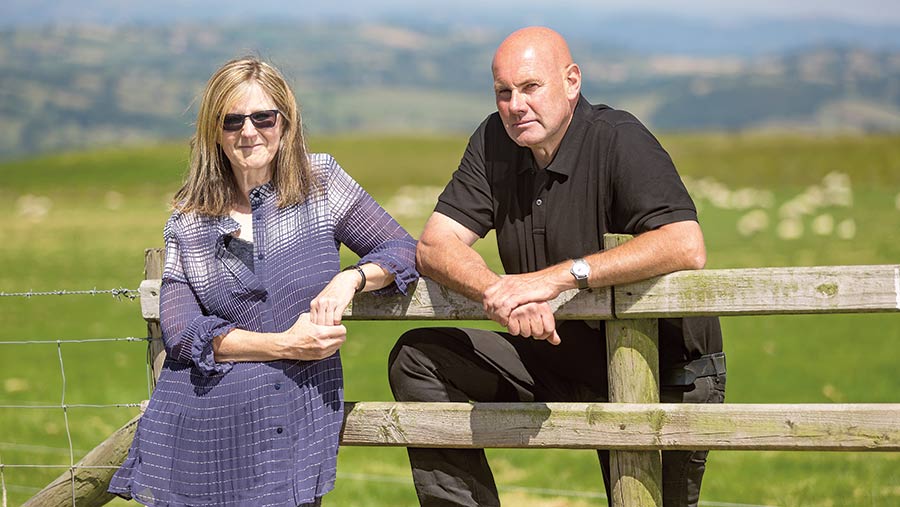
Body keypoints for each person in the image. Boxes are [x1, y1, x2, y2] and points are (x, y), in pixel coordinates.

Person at [388, 27, 725, 507]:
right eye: (504, 92)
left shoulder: (619, 140)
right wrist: (499, 293)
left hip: (663, 368)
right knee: (420, 358)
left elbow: (685, 244)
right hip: (559, 355)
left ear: (571, 82)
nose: (515, 105)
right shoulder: (493, 142)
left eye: (530, 87)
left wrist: (554, 280)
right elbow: (435, 246)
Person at [109, 57, 418, 507]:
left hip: (295, 420)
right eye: (232, 120)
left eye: (263, 117)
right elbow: (181, 331)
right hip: (207, 428)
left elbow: (403, 249)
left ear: (285, 122)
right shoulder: (188, 222)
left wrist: (349, 279)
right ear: (214, 131)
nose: (248, 132)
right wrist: (285, 345)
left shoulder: (322, 182)